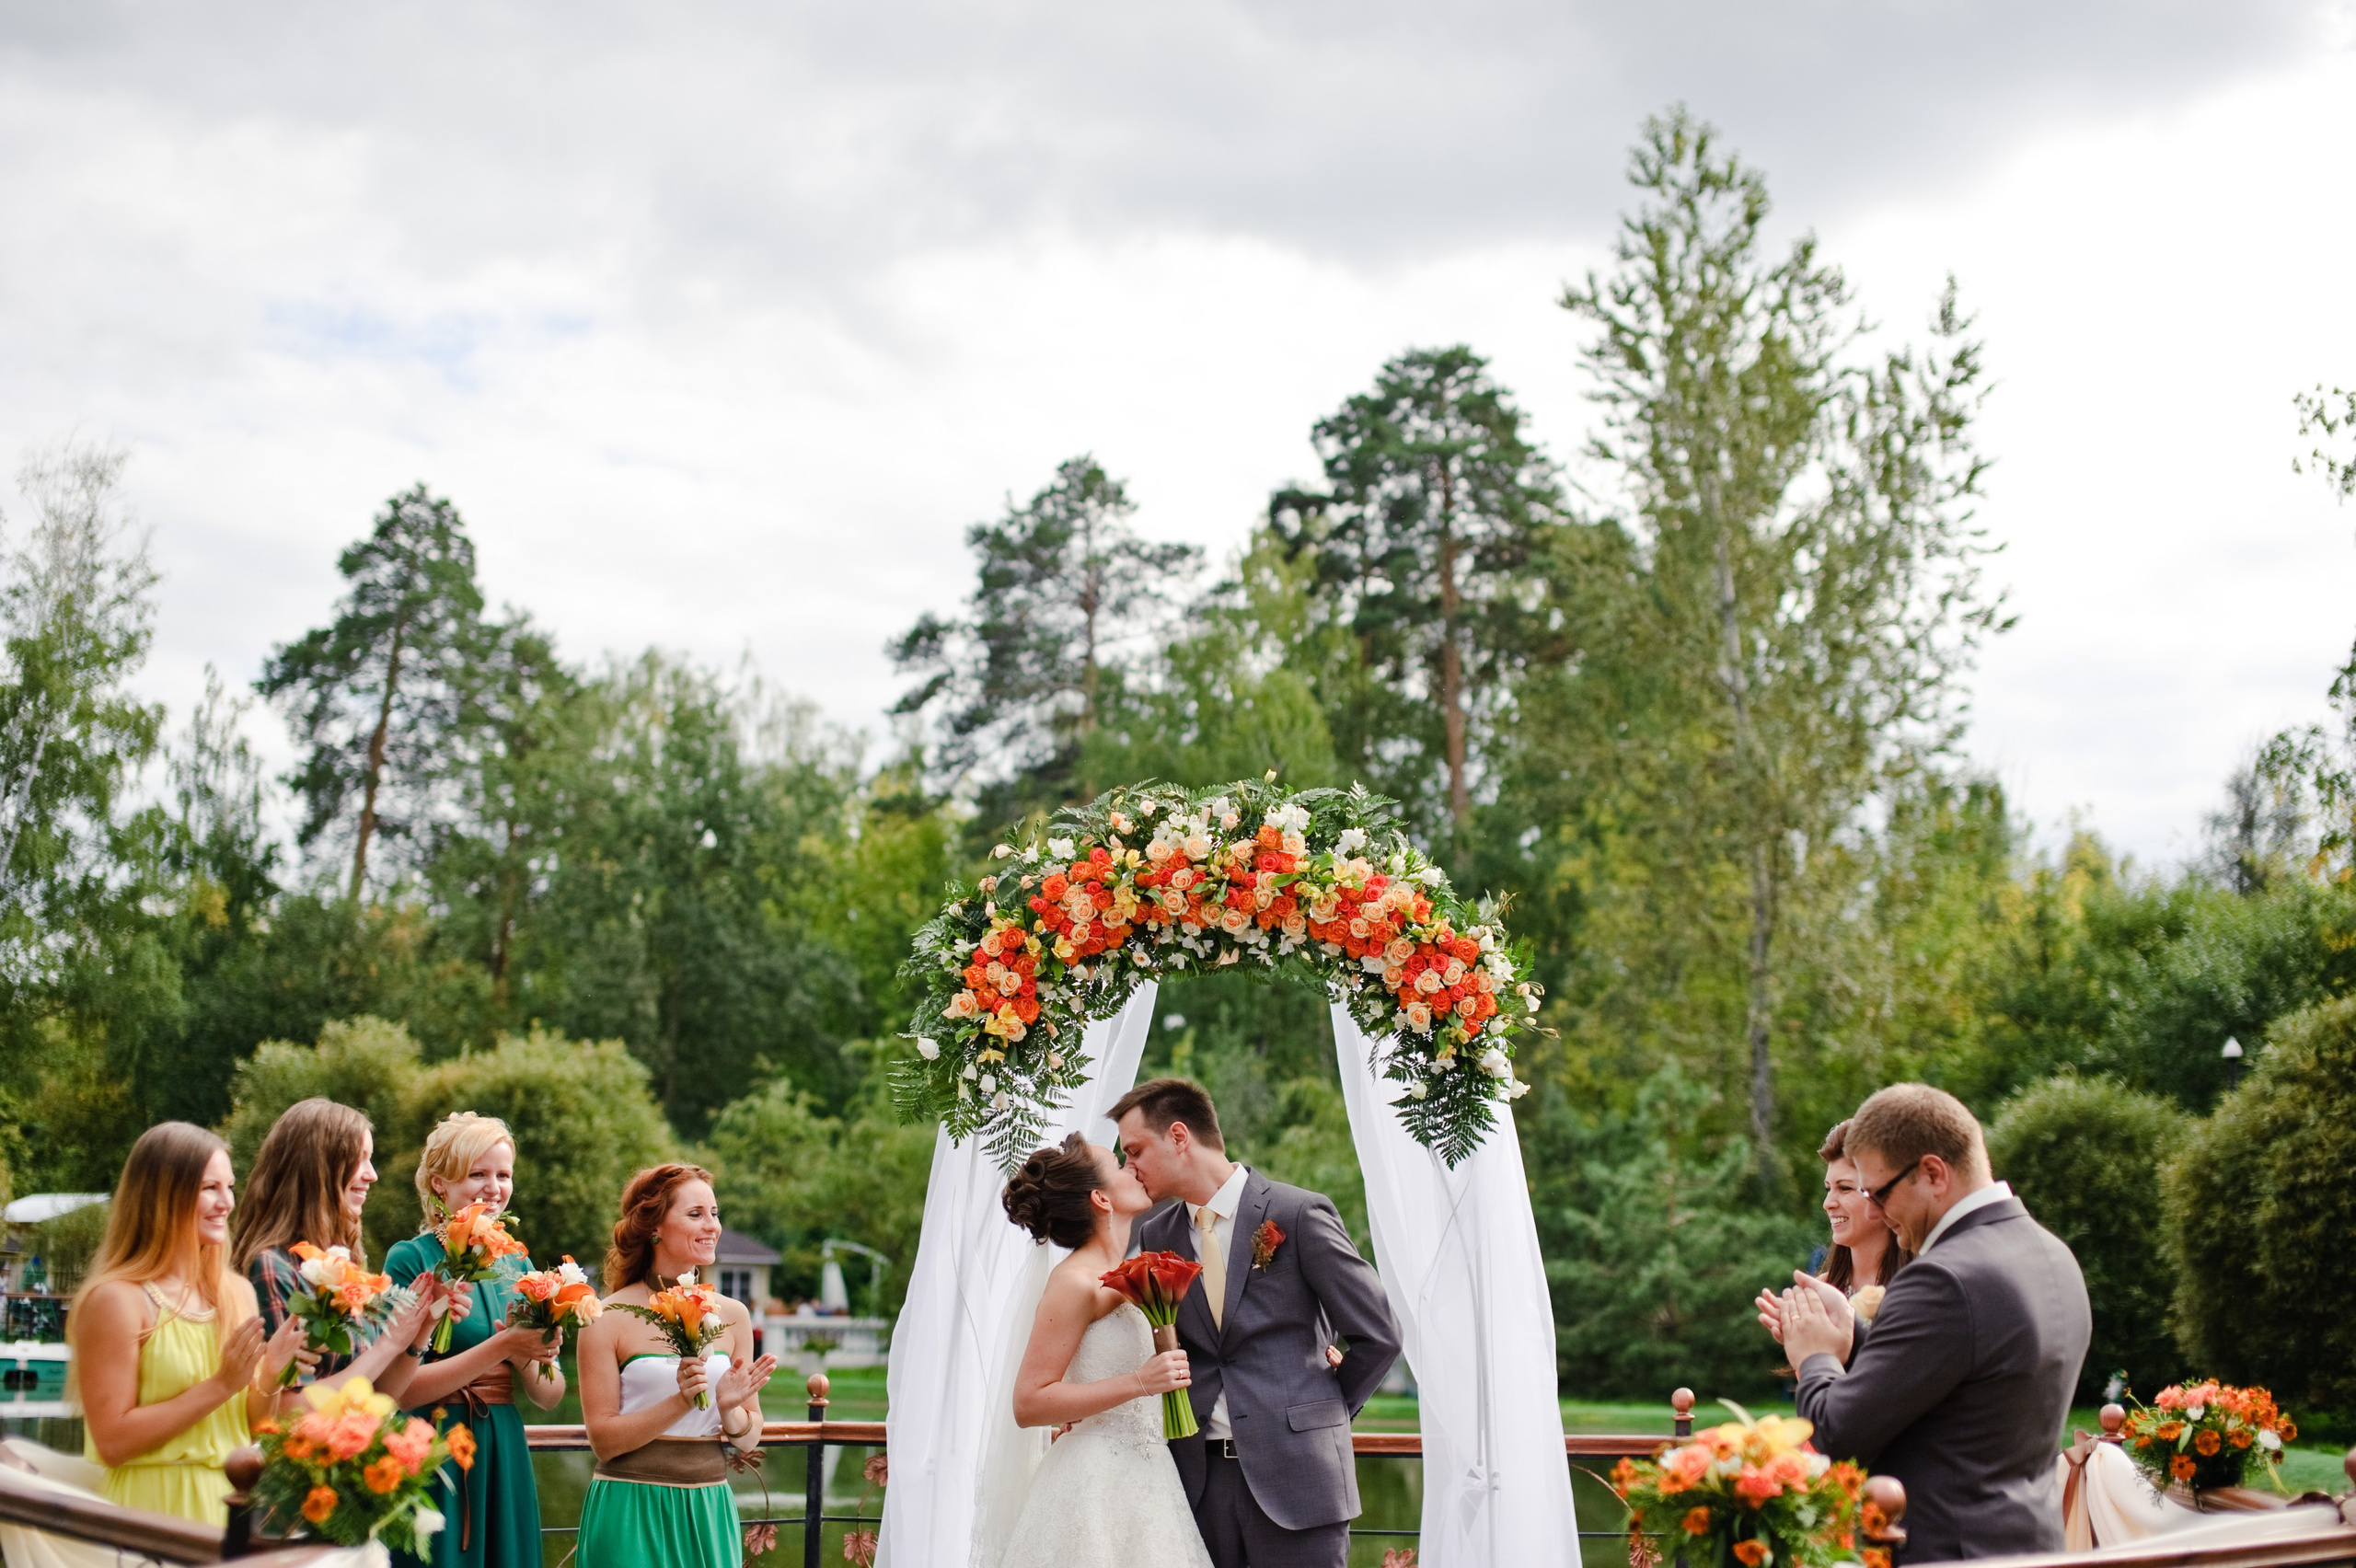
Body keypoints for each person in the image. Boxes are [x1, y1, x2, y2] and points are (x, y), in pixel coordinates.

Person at [1776, 1083, 2091, 1563]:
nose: (1876, 1211)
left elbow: (1836, 1434)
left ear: (1932, 1173)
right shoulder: (2053, 1254)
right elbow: (1962, 1377)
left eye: (1878, 1192)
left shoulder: (1943, 1278)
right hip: (2031, 1547)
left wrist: (1815, 1353)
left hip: (1945, 1551)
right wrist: (1854, 1332)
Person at [1115, 1078, 1403, 1568]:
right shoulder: (1156, 1234)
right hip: (1198, 1487)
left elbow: (1379, 1336)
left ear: (1179, 1137)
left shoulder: (1298, 1213)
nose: (1129, 1168)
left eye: (1136, 1150)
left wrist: (1323, 1412)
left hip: (1301, 1480)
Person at [69, 1122, 315, 1525]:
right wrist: (221, 1385)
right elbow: (112, 1441)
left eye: (229, 1186)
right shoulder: (116, 1299)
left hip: (231, 1507)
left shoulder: (237, 1293)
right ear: (162, 1196)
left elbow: (254, 1429)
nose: (227, 1203)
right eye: (209, 1188)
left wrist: (271, 1373)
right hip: (148, 1515)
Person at [985, 1133, 1211, 1568]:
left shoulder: (1129, 1274)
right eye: (1118, 1164)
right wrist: (1140, 1382)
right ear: (1101, 1200)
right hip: (1092, 1487)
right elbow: (1029, 1402)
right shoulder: (1074, 1282)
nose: (1132, 1168)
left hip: (1151, 1479)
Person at [384, 1113, 562, 1568]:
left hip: (502, 1445)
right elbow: (399, 1391)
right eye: (477, 1174)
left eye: (503, 1175)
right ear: (440, 1184)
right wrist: (503, 1347)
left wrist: (530, 1353)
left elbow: (549, 1395)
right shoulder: (411, 1258)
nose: (493, 1187)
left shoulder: (519, 1268)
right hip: (433, 1443)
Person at [574, 1163, 775, 1568]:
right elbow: (603, 1440)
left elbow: (749, 1439)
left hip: (707, 1507)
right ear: (655, 1228)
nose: (712, 1226)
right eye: (695, 1214)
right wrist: (685, 1399)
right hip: (628, 1508)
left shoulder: (734, 1315)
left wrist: (729, 1406)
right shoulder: (604, 1317)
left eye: (714, 1213)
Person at [232, 1098, 442, 1401]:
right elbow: (287, 1410)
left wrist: (420, 1328)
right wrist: (387, 1345)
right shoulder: (273, 1267)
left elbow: (383, 1393)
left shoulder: (343, 1260)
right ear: (318, 1169)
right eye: (360, 1159)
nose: (372, 1175)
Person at [1756, 1119, 1913, 1334]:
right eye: (1828, 1188)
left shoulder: (1920, 1285)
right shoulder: (1822, 1291)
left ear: (1884, 1193)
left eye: (1845, 1188)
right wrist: (1800, 1346)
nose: (1828, 1203)